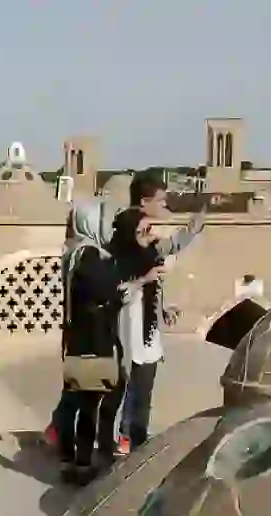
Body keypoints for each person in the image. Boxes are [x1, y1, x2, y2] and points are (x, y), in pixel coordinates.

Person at [59, 201, 161, 486]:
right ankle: (82, 465)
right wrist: (136, 284)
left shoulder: (75, 253)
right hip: (93, 340)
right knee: (89, 405)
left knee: (77, 402)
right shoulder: (89, 256)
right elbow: (107, 292)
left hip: (81, 338)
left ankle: (73, 460)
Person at [108, 176, 206, 453]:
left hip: (148, 331)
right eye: (145, 231)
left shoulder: (148, 251)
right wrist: (144, 278)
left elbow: (172, 245)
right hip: (129, 331)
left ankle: (139, 434)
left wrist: (162, 309)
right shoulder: (121, 259)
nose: (151, 234)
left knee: (146, 387)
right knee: (130, 387)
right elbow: (119, 292)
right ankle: (124, 436)